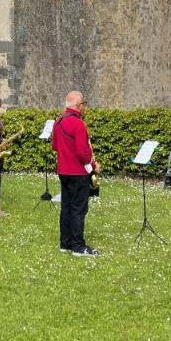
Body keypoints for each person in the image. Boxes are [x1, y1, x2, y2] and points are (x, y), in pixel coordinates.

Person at [52, 91, 100, 256]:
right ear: (79, 105)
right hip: (78, 172)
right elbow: (82, 152)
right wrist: (93, 165)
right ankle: (78, 247)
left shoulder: (58, 122)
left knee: (66, 207)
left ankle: (65, 243)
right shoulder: (78, 124)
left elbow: (55, 147)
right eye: (84, 104)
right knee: (79, 209)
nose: (85, 107)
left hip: (63, 171)